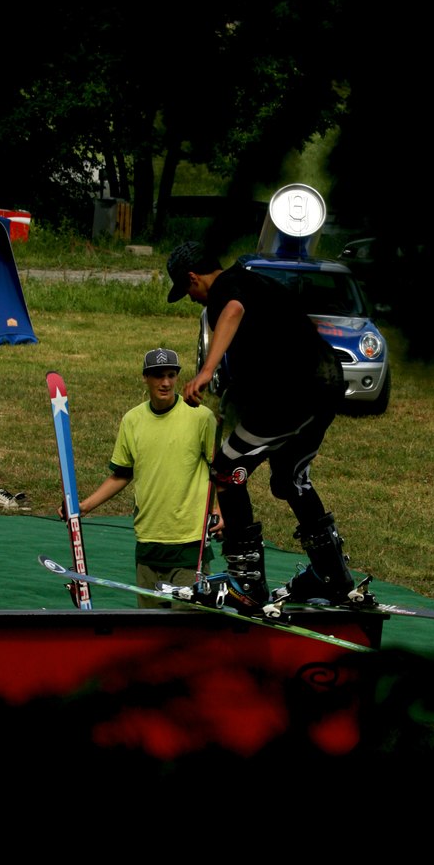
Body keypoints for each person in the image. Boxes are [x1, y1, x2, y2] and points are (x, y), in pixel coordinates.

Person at [165, 239, 357, 616]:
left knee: (227, 471)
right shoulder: (256, 281)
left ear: (193, 278)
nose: (192, 300)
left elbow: (233, 310)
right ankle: (332, 575)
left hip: (293, 391)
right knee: (289, 478)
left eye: (187, 291)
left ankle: (246, 583)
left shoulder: (226, 290)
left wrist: (204, 371)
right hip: (328, 382)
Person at [62, 348, 223, 608]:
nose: (166, 382)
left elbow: (220, 470)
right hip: (148, 542)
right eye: (158, 376)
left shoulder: (200, 417)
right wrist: (83, 507)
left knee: (185, 628)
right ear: (145, 378)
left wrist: (219, 509)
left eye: (171, 375)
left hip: (189, 543)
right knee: (148, 625)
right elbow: (122, 474)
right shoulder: (132, 420)